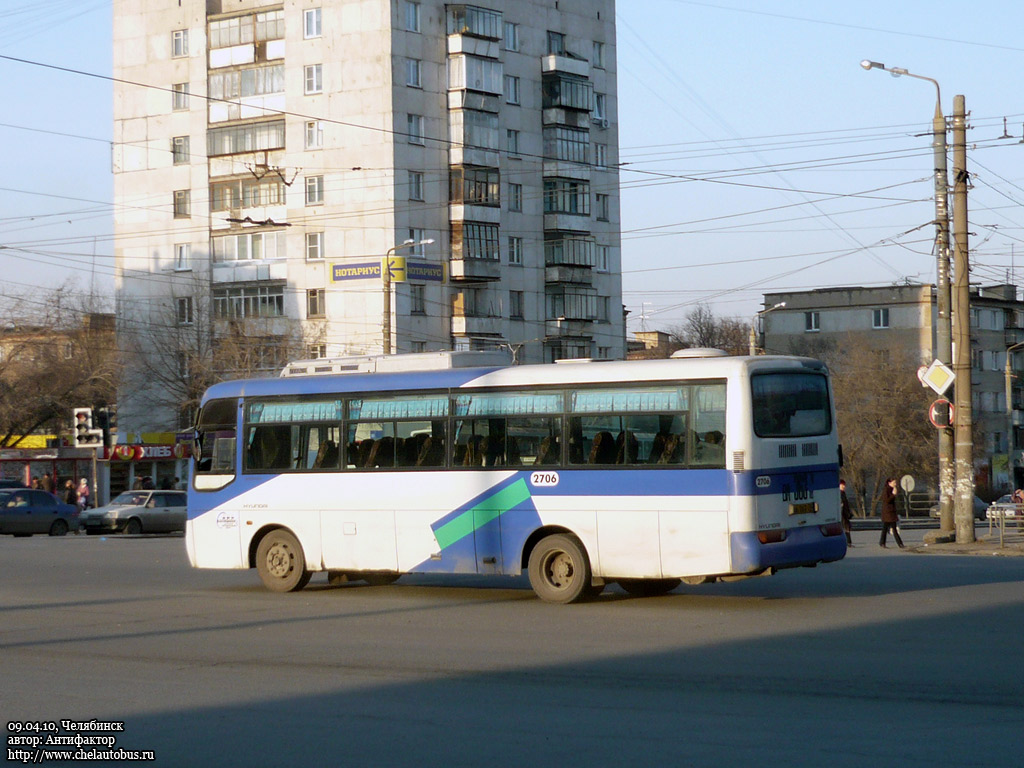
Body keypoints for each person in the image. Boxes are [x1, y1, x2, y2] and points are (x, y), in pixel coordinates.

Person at [880, 477, 904, 549]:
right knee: (890, 528)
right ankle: (899, 543)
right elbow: (887, 500)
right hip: (888, 513)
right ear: (889, 483)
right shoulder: (886, 490)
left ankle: (883, 542)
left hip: (891, 512)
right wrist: (893, 495)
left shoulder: (892, 489)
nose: (895, 484)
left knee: (887, 528)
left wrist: (894, 494)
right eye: (894, 482)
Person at [840, 478, 853, 546]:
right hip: (842, 514)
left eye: (844, 485)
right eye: (842, 485)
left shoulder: (843, 493)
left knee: (847, 527)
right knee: (845, 528)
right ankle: (848, 542)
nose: (844, 486)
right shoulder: (839, 494)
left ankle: (849, 542)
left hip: (845, 513)